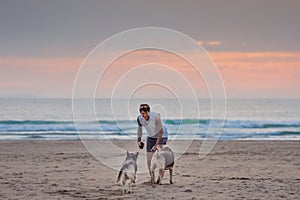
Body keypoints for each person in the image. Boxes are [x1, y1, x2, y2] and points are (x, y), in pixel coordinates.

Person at [136, 104, 168, 180]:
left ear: (149, 112)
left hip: (162, 135)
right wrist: (139, 140)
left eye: (146, 113)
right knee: (149, 160)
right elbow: (140, 129)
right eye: (142, 113)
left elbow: (161, 132)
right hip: (151, 136)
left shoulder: (156, 117)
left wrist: (156, 145)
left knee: (159, 158)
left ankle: (160, 177)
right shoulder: (139, 118)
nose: (144, 115)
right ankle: (152, 177)